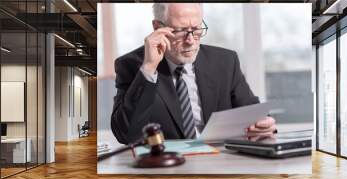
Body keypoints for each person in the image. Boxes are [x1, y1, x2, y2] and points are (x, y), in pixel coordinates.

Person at [111, 3, 276, 144]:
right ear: (157, 28)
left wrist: (264, 124)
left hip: (221, 162)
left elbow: (252, 111)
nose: (190, 40)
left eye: (196, 29)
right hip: (166, 168)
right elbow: (126, 135)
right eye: (180, 31)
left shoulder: (225, 61)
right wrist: (148, 68)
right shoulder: (131, 65)